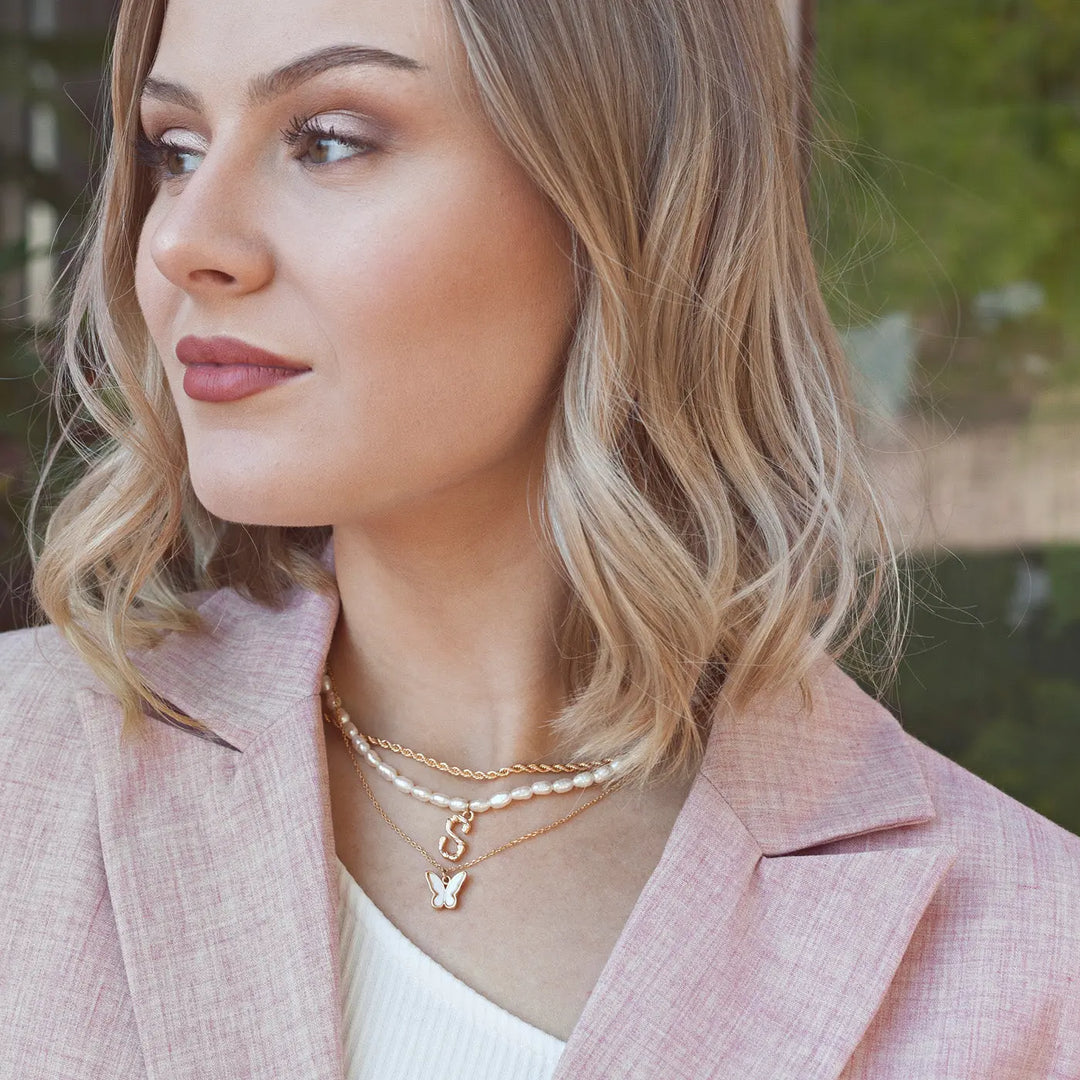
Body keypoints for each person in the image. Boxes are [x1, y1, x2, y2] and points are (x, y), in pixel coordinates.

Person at [1, 0, 1078, 1076]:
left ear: (625, 196)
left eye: (328, 141)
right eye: (175, 150)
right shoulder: (26, 766)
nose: (182, 242)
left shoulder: (1027, 958)